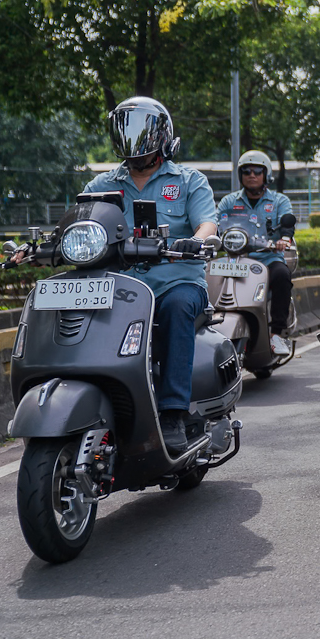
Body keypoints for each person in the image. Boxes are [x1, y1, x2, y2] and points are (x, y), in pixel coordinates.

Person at [84, 96, 218, 453]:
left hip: (176, 282)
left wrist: (195, 240)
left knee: (177, 307)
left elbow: (207, 223)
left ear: (161, 135)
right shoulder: (101, 185)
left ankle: (173, 413)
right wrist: (42, 247)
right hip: (120, 287)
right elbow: (77, 224)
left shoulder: (188, 180)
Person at [217, 150, 294, 356]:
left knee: (282, 275)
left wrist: (284, 239)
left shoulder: (279, 201)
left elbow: (287, 223)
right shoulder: (228, 202)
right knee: (210, 275)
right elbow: (216, 226)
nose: (252, 175)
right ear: (240, 175)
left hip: (268, 259)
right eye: (246, 171)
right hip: (235, 260)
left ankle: (277, 334)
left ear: (266, 174)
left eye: (257, 171)